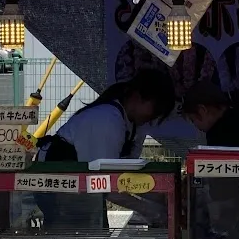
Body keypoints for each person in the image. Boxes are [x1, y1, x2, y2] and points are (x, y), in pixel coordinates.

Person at [35, 69, 176, 227]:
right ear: (137, 97)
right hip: (61, 192)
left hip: (86, 195)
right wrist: (151, 211)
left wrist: (161, 195)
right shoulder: (106, 120)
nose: (155, 117)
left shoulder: (134, 124)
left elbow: (125, 175)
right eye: (156, 110)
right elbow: (105, 184)